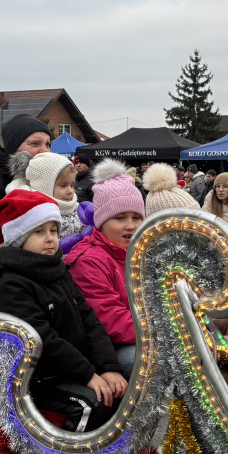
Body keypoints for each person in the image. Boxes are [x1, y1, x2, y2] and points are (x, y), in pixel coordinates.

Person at [0, 190, 127, 430]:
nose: (50, 238)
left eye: (53, 230)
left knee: (121, 388)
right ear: (20, 238)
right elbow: (43, 339)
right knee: (93, 403)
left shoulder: (57, 270)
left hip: (71, 368)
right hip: (39, 379)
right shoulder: (11, 283)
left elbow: (88, 320)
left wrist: (109, 368)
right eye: (39, 232)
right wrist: (88, 375)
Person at [66, 160, 145, 377]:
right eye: (120, 218)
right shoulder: (90, 260)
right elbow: (108, 319)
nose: (131, 226)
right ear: (101, 222)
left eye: (137, 217)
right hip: (109, 349)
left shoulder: (142, 253)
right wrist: (160, 327)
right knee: (154, 360)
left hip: (144, 332)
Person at [7, 150, 88, 250]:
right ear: (44, 186)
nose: (70, 191)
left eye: (72, 185)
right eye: (63, 185)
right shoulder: (31, 212)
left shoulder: (77, 208)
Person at [0, 114, 52, 204]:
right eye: (35, 143)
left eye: (47, 144)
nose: (45, 151)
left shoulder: (51, 179)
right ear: (13, 148)